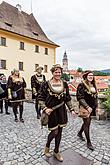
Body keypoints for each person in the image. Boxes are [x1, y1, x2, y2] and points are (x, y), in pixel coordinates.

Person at [38, 64, 75, 162]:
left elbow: (67, 98)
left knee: (60, 131)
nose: (58, 74)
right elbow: (40, 98)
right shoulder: (46, 84)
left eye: (59, 72)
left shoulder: (65, 84)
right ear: (52, 73)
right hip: (51, 112)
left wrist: (71, 109)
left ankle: (56, 151)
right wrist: (45, 108)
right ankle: (47, 146)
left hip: (61, 111)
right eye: (56, 72)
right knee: (54, 131)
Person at [76, 70, 98, 151]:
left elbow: (95, 96)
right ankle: (88, 142)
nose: (91, 76)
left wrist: (96, 106)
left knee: (87, 122)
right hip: (85, 107)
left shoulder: (93, 85)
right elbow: (79, 97)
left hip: (92, 107)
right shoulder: (81, 85)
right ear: (86, 76)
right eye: (89, 75)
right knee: (87, 123)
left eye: (92, 75)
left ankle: (79, 133)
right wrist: (87, 106)